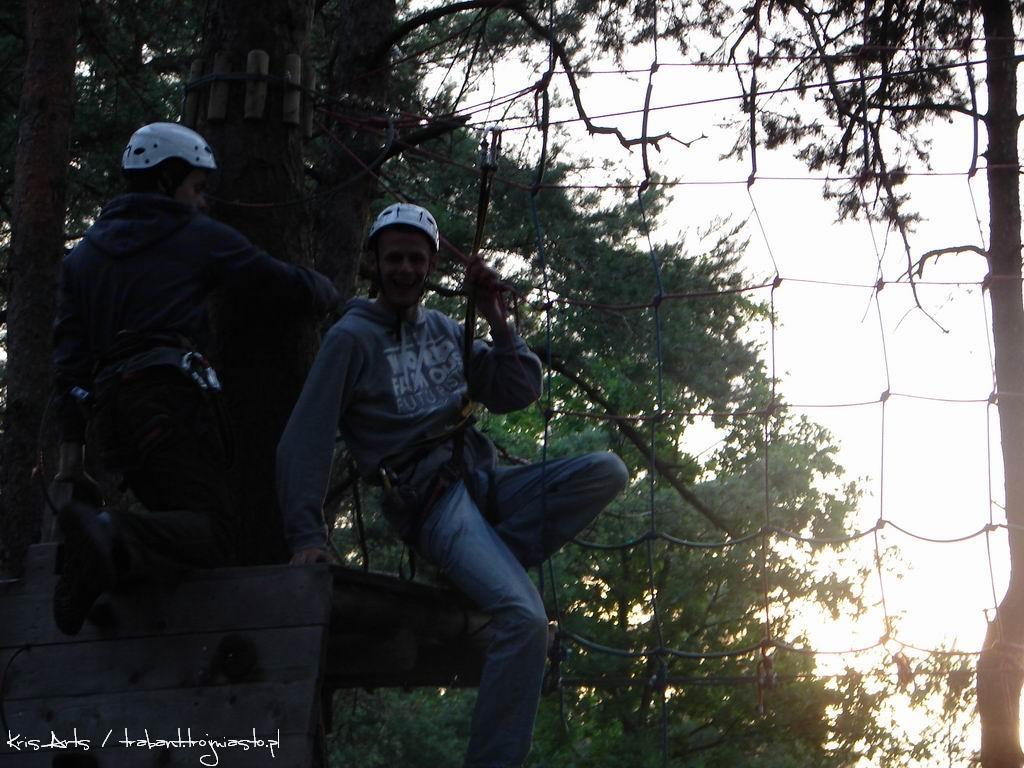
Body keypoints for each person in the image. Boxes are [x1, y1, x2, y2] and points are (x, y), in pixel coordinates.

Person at [276, 202, 628, 767]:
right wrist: (306, 536)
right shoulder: (351, 340)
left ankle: (480, 565)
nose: (405, 270)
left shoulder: (444, 329)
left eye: (416, 259)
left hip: (482, 482)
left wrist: (495, 317)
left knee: (607, 471)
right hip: (431, 502)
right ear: (375, 262)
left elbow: (518, 390)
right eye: (394, 258)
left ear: (431, 265)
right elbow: (305, 439)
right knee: (525, 620)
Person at [51, 121, 340, 635]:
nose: (203, 201)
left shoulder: (83, 257)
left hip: (113, 419)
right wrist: (330, 293)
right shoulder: (190, 234)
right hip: (169, 401)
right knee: (214, 534)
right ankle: (109, 535)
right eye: (198, 187)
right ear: (167, 180)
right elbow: (274, 280)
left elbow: (68, 364)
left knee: (177, 526)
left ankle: (104, 554)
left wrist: (71, 457)